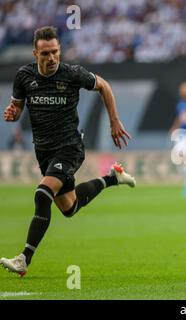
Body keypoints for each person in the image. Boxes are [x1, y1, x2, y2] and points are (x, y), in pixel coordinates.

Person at [0, 26, 136, 277]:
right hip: (44, 151)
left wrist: (114, 121)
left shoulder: (72, 74)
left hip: (70, 147)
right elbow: (17, 107)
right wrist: (13, 114)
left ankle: (23, 259)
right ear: (35, 54)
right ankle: (112, 178)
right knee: (68, 208)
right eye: (45, 54)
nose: (51, 58)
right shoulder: (23, 76)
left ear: (60, 51)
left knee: (42, 194)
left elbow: (103, 86)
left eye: (55, 52)